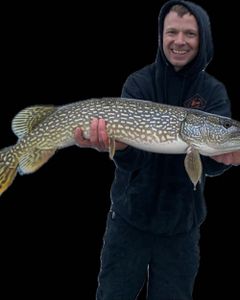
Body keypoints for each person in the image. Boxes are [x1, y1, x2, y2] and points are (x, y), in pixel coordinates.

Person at [75, 1, 240, 299]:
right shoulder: (138, 83)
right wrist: (119, 145)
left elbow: (211, 164)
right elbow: (132, 160)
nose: (179, 41)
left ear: (202, 38)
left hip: (181, 228)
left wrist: (226, 158)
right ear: (161, 35)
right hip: (129, 219)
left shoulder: (213, 91)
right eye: (172, 32)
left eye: (189, 33)